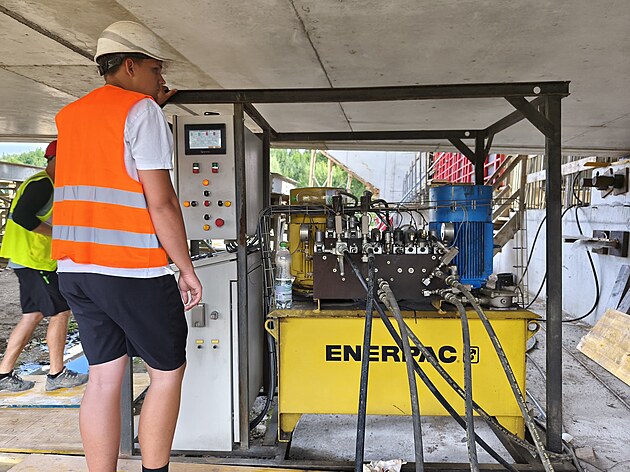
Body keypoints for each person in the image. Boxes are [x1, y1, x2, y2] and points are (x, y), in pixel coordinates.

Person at [52, 21, 202, 472]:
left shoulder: (70, 115)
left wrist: (147, 106)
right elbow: (162, 201)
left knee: (103, 378)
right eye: (156, 70)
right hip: (132, 269)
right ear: (131, 66)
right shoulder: (141, 112)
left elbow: (104, 164)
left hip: (76, 270)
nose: (162, 80)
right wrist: (186, 268)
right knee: (167, 373)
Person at [0, 140, 89, 393]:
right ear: (56, 160)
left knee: (33, 315)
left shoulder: (48, 184)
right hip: (34, 261)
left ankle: (4, 374)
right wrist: (58, 234)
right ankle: (57, 374)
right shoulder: (43, 184)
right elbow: (22, 216)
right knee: (61, 312)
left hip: (28, 260)